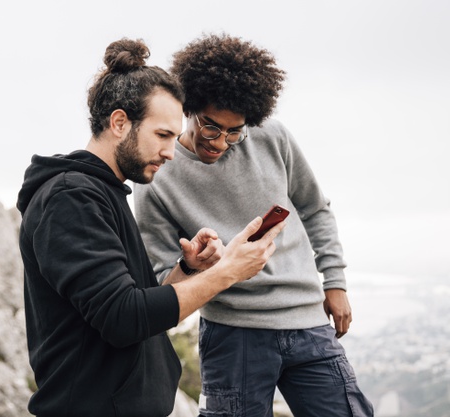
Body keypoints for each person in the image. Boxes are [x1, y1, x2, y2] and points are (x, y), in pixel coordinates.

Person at [16, 38, 284, 417]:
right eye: (162, 135)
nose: (171, 152)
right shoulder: (69, 198)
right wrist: (227, 273)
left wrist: (188, 271)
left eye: (175, 138)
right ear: (120, 122)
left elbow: (138, 309)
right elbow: (123, 319)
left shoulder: (104, 193)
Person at [133, 33, 374, 416]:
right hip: (232, 335)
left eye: (235, 132)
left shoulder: (272, 137)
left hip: (307, 321)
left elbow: (315, 209)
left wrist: (336, 281)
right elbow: (165, 285)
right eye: (210, 128)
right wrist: (195, 265)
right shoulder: (156, 176)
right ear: (190, 108)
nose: (221, 142)